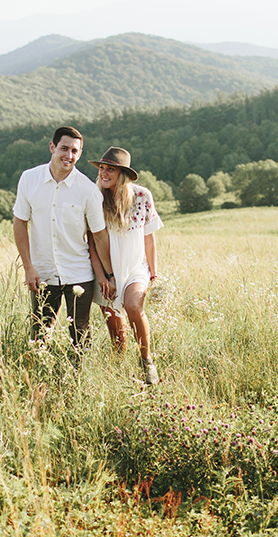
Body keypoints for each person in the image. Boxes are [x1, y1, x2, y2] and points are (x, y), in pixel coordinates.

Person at [13, 127, 115, 351]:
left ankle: (76, 382)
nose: (69, 155)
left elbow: (99, 236)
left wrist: (109, 275)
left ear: (79, 154)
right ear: (52, 147)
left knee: (80, 336)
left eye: (74, 151)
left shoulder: (89, 191)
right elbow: (20, 222)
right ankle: (40, 381)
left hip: (79, 273)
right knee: (40, 334)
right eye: (64, 148)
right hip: (42, 273)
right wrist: (28, 267)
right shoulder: (29, 179)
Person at [87, 146, 163, 385]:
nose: (104, 173)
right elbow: (91, 243)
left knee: (132, 305)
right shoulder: (94, 198)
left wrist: (153, 271)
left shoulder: (142, 196)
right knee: (114, 324)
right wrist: (102, 276)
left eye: (111, 169)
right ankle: (118, 368)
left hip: (135, 267)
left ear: (123, 174)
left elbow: (149, 236)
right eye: (102, 168)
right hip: (106, 269)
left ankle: (147, 361)